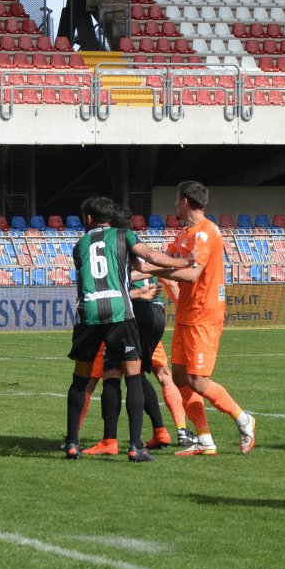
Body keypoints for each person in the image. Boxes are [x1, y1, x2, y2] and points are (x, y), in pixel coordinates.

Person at [61, 195, 196, 462]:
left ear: (89, 219)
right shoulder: (124, 236)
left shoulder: (79, 245)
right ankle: (136, 446)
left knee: (81, 380)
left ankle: (73, 444)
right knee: (135, 376)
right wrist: (183, 262)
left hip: (88, 315)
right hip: (120, 314)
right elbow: (149, 258)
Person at [145, 181, 254, 457]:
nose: (174, 203)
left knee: (196, 380)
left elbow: (192, 274)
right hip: (185, 314)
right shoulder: (185, 233)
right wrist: (137, 260)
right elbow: (164, 258)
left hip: (204, 315)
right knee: (180, 377)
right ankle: (204, 440)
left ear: (184, 201)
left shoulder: (206, 234)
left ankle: (243, 419)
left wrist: (158, 269)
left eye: (176, 198)